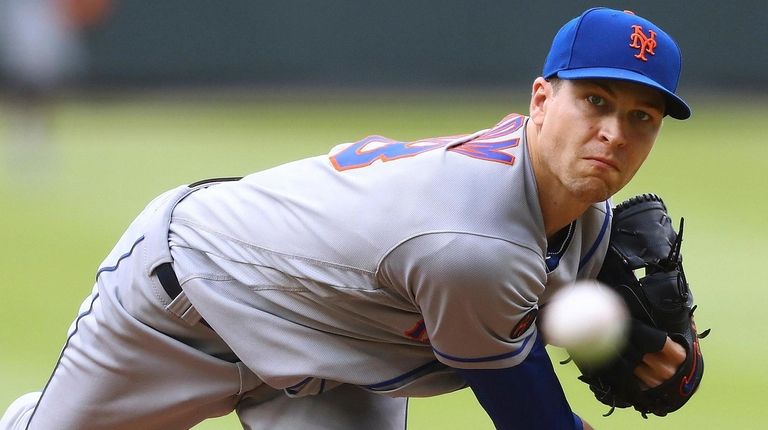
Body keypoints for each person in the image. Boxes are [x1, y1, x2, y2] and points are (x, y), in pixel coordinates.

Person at [1, 7, 693, 430]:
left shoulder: (577, 209)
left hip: (333, 358)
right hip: (185, 307)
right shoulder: (475, 246)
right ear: (541, 100)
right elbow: (531, 418)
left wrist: (645, 344)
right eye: (595, 102)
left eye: (641, 118)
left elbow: (543, 280)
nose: (613, 133)